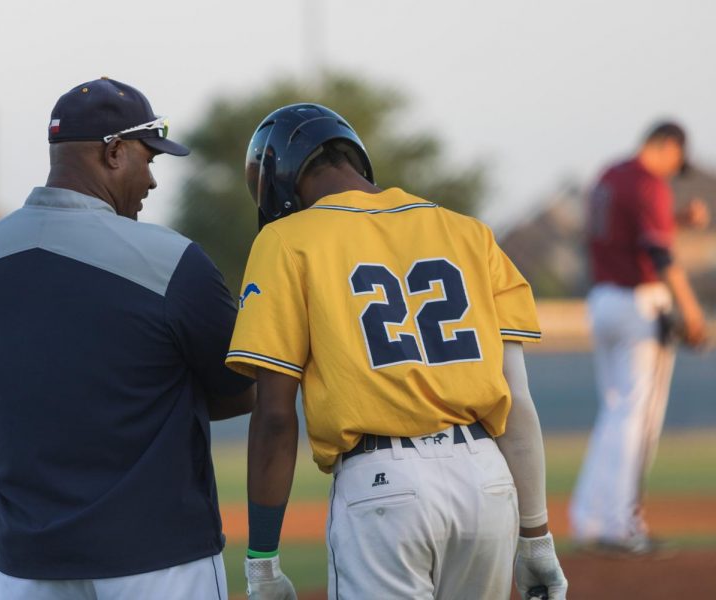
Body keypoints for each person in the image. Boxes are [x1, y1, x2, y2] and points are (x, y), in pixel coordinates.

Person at [225, 104, 568, 600]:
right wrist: (536, 536)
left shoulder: (285, 240)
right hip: (487, 484)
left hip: (383, 486)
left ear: (278, 181)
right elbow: (516, 400)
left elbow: (276, 416)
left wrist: (262, 562)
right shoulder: (468, 231)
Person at [0, 78, 254, 600]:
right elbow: (241, 387)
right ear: (114, 152)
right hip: (158, 557)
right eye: (149, 159)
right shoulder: (170, 260)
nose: (153, 181)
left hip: (26, 565)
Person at [570, 121, 709, 554]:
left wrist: (679, 219)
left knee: (615, 413)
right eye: (676, 160)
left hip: (603, 300)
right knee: (637, 419)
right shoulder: (649, 183)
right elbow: (658, 252)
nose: (674, 169)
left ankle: (590, 519)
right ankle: (622, 524)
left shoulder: (610, 176)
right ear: (668, 145)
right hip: (638, 305)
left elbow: (628, 234)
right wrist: (690, 308)